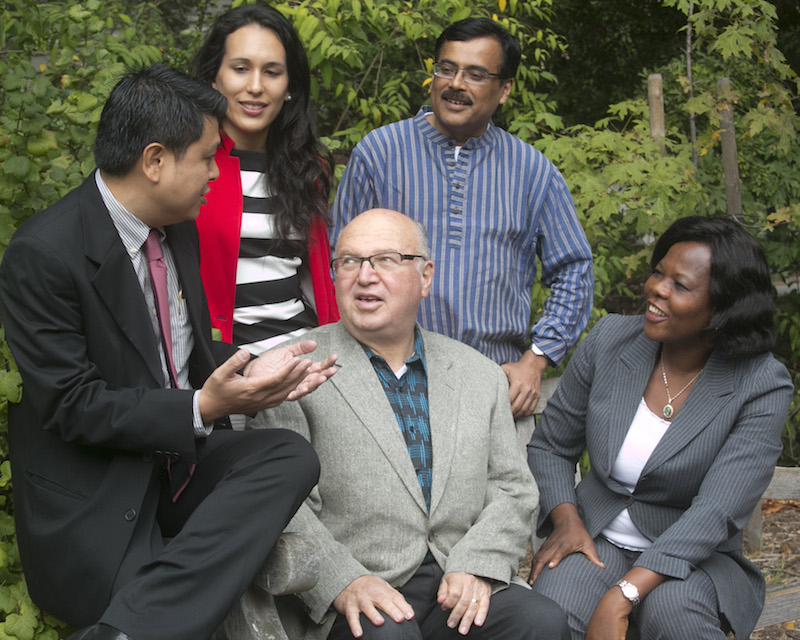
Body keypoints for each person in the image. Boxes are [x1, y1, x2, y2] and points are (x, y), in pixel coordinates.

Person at [0, 64, 338, 640]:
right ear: (155, 162)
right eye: (208, 157)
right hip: (100, 487)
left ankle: (129, 626)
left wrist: (252, 370)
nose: (217, 172)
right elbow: (71, 406)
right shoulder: (44, 254)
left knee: (288, 458)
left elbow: (178, 345)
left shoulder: (175, 225)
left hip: (176, 464)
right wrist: (201, 408)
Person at [251, 208, 570, 640]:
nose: (364, 276)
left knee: (541, 623)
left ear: (425, 276)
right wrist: (343, 580)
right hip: (362, 588)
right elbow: (280, 503)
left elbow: (513, 488)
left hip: (457, 578)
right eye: (348, 261)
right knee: (390, 635)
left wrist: (477, 564)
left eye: (385, 259)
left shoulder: (478, 374)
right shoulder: (296, 370)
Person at [527, 216, 793, 640]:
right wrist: (567, 520)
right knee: (550, 614)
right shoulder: (611, 339)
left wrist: (623, 594)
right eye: (658, 272)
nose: (656, 289)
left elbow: (717, 510)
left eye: (681, 285)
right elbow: (551, 448)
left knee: (676, 615)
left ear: (723, 307)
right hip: (596, 534)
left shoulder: (760, 383)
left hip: (696, 554)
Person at [331, 17, 593, 425]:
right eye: (446, 69)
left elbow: (574, 268)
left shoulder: (531, 171)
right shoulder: (379, 154)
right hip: (385, 386)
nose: (456, 84)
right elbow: (340, 263)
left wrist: (537, 359)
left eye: (476, 74)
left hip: (495, 392)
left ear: (504, 88)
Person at [192, 3, 337, 355]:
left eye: (272, 72)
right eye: (240, 69)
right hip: (225, 365)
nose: (255, 87)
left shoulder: (306, 168)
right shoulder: (190, 165)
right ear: (215, 77)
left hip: (305, 360)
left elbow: (314, 281)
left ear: (289, 87)